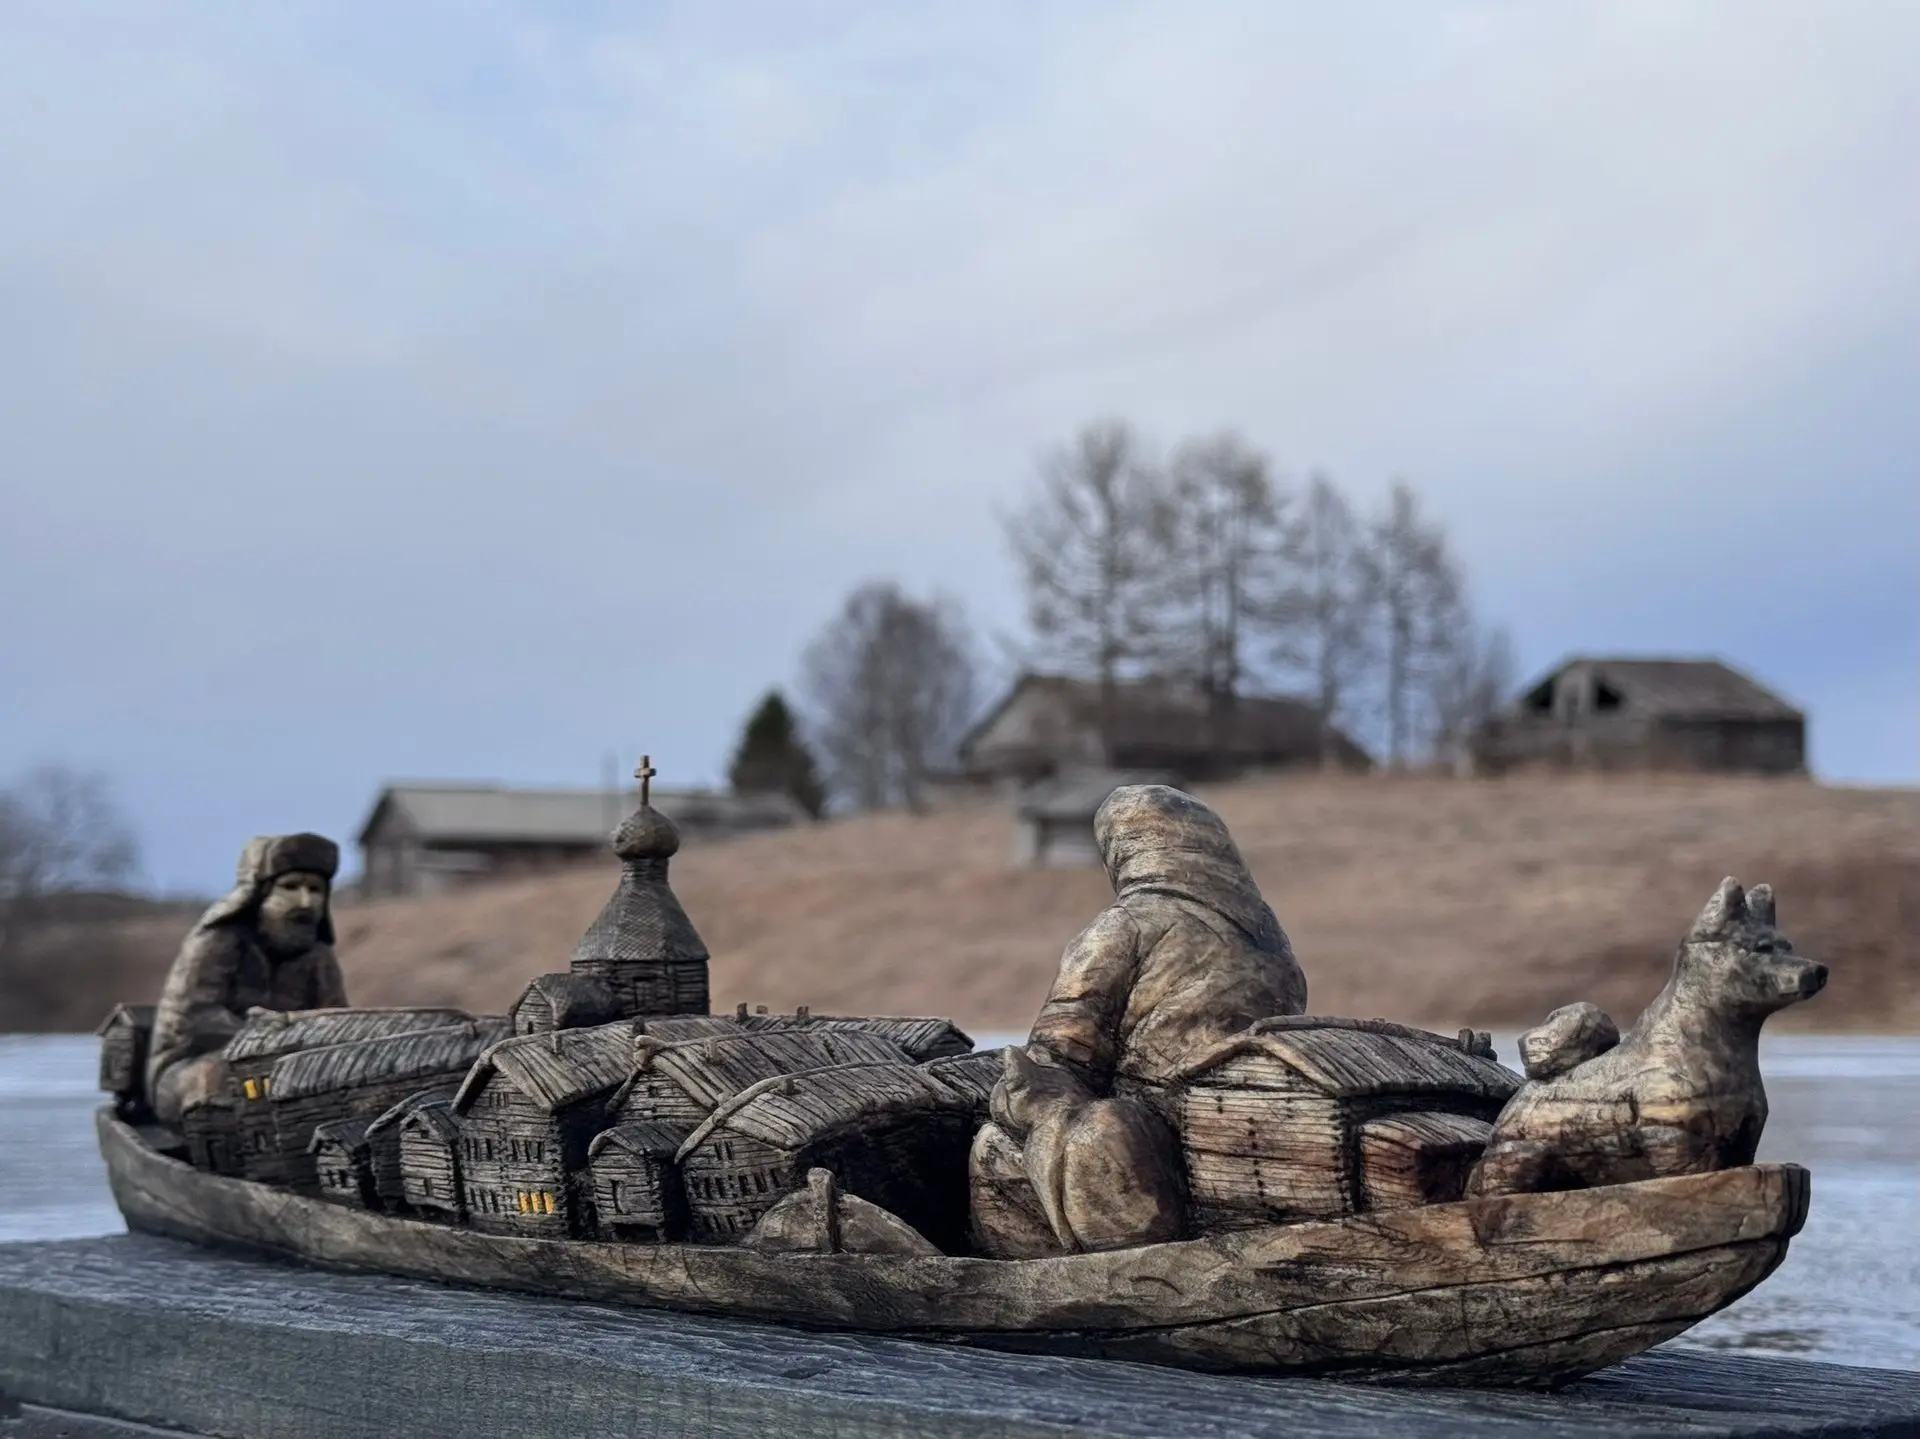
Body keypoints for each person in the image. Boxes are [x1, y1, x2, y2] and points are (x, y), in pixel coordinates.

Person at [971, 784, 1306, 1254]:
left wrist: (1021, 1088)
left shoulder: (1128, 925)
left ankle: (1032, 1267)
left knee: (993, 1141)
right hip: (1243, 1123)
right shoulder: (1274, 945)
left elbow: (1060, 1052)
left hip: (1152, 1132)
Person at [146, 833, 348, 1126]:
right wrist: (274, 1038)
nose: (305, 901)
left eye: (315, 889)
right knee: (217, 1078)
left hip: (289, 1071)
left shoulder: (318, 956)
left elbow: (337, 1020)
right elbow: (194, 1019)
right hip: (192, 1070)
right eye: (290, 887)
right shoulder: (217, 941)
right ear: (259, 892)